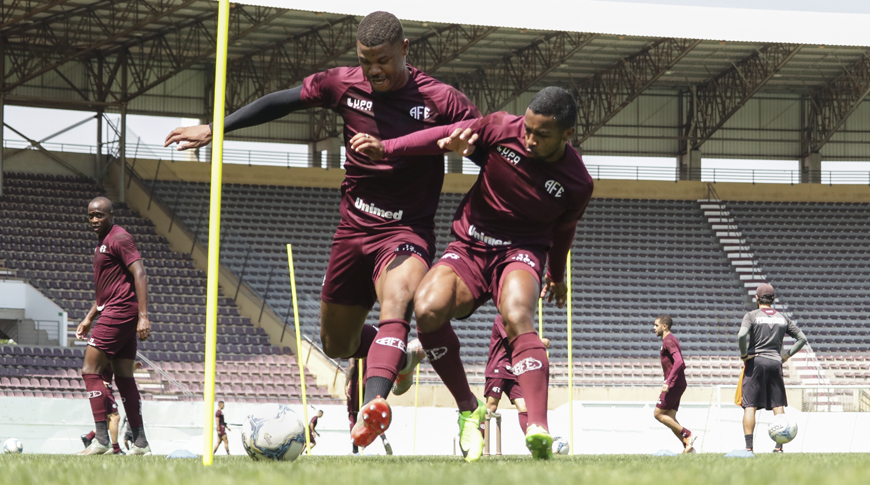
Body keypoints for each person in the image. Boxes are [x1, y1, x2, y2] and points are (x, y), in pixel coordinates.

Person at [164, 11, 479, 449]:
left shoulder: (443, 100)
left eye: (383, 61)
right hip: (352, 232)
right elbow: (283, 100)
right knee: (337, 342)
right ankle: (400, 358)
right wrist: (217, 127)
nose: (374, 71)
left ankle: (374, 406)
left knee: (398, 302)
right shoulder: (343, 84)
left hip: (406, 231)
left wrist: (473, 153)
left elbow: (494, 153)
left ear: (405, 50)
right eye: (366, 61)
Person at [352, 86, 594, 461]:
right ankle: (468, 408)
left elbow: (564, 231)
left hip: (521, 252)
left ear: (567, 135)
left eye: (541, 135)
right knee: (427, 308)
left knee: (517, 315)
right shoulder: (501, 127)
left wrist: (557, 275)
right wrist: (388, 148)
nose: (529, 138)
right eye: (527, 128)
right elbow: (440, 136)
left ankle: (539, 426)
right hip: (470, 246)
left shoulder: (578, 183)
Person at [75, 196, 151, 455]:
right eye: (91, 216)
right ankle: (141, 443)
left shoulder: (119, 237)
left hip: (121, 311)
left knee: (90, 370)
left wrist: (143, 316)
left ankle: (100, 439)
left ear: (111, 215)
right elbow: (107, 290)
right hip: (116, 309)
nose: (94, 220)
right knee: (124, 376)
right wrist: (89, 317)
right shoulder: (102, 243)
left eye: (99, 215)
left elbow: (139, 273)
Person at [739, 283, 807, 453]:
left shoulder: (751, 315)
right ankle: (779, 447)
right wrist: (786, 356)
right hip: (775, 362)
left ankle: (748, 449)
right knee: (777, 404)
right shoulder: (783, 318)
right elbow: (802, 338)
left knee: (750, 405)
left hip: (756, 362)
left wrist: (744, 355)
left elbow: (741, 335)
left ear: (757, 298)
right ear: (773, 299)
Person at [483, 315, 550, 435]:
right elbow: (512, 339)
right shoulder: (502, 318)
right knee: (491, 407)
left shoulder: (519, 320)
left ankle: (534, 443)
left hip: (513, 370)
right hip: (498, 368)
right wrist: (539, 342)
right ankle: (476, 440)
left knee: (524, 407)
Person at [652, 315, 695, 453]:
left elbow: (679, 361)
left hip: (674, 384)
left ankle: (687, 434)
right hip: (679, 382)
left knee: (658, 414)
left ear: (664, 326)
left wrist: (668, 382)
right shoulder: (669, 340)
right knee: (669, 417)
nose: (654, 328)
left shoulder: (669, 340)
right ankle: (688, 446)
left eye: (656, 325)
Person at [345, 357, 393, 455]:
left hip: (356, 384)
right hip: (370, 384)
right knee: (373, 415)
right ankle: (384, 439)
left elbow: (352, 365)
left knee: (353, 415)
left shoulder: (355, 346)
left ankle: (355, 450)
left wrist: (346, 384)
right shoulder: (371, 349)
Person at [80, 365, 124, 455]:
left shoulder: (111, 356)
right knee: (115, 417)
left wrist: (132, 368)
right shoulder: (104, 354)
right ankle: (116, 448)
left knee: (108, 420)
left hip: (107, 388)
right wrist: (99, 382)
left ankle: (89, 436)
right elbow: (91, 367)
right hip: (104, 389)